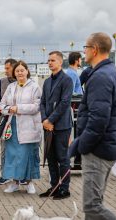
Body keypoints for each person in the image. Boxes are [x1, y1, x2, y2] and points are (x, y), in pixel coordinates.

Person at [70, 32, 116, 220]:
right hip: (105, 146)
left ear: (95, 49)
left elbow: (99, 119)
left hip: (98, 149)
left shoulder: (101, 76)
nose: (83, 52)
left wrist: (83, 144)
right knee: (94, 206)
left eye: (85, 47)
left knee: (92, 207)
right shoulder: (110, 71)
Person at [0, 60, 42, 194]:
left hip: (28, 126)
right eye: (17, 71)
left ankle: (29, 183)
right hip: (12, 126)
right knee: (12, 155)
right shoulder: (11, 87)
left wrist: (18, 108)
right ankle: (14, 183)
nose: (19, 73)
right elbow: (1, 105)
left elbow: (36, 106)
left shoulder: (35, 87)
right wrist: (9, 109)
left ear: (27, 71)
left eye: (22, 70)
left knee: (27, 155)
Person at [40, 51, 73, 200]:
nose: (50, 63)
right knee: (51, 158)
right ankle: (54, 187)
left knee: (62, 158)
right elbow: (43, 103)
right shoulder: (47, 82)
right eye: (48, 60)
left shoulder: (66, 80)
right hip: (48, 126)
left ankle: (65, 189)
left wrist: (50, 120)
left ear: (60, 62)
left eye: (52, 60)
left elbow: (64, 103)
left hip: (61, 126)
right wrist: (44, 120)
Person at [0, 58, 17, 185]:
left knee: (18, 148)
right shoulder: (2, 82)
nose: (5, 71)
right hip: (5, 120)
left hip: (19, 120)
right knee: (4, 148)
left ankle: (18, 175)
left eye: (7, 68)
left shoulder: (22, 82)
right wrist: (3, 111)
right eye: (5, 68)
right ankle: (4, 174)